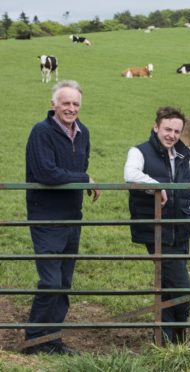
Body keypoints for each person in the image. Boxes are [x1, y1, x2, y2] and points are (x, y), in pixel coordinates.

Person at [24, 80, 101, 355]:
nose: (71, 108)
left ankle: (52, 338)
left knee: (64, 282)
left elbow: (82, 163)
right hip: (46, 217)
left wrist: (83, 179)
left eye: (76, 103)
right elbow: (46, 173)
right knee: (50, 281)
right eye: (66, 103)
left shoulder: (84, 133)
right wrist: (84, 179)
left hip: (72, 216)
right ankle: (33, 339)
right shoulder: (41, 132)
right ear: (53, 104)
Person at [124, 106, 190, 344]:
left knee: (167, 286)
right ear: (156, 127)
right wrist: (157, 186)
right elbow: (131, 175)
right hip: (156, 231)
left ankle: (166, 339)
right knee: (182, 287)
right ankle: (179, 334)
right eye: (167, 129)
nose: (172, 135)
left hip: (180, 230)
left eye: (177, 131)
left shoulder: (183, 154)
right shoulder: (139, 152)